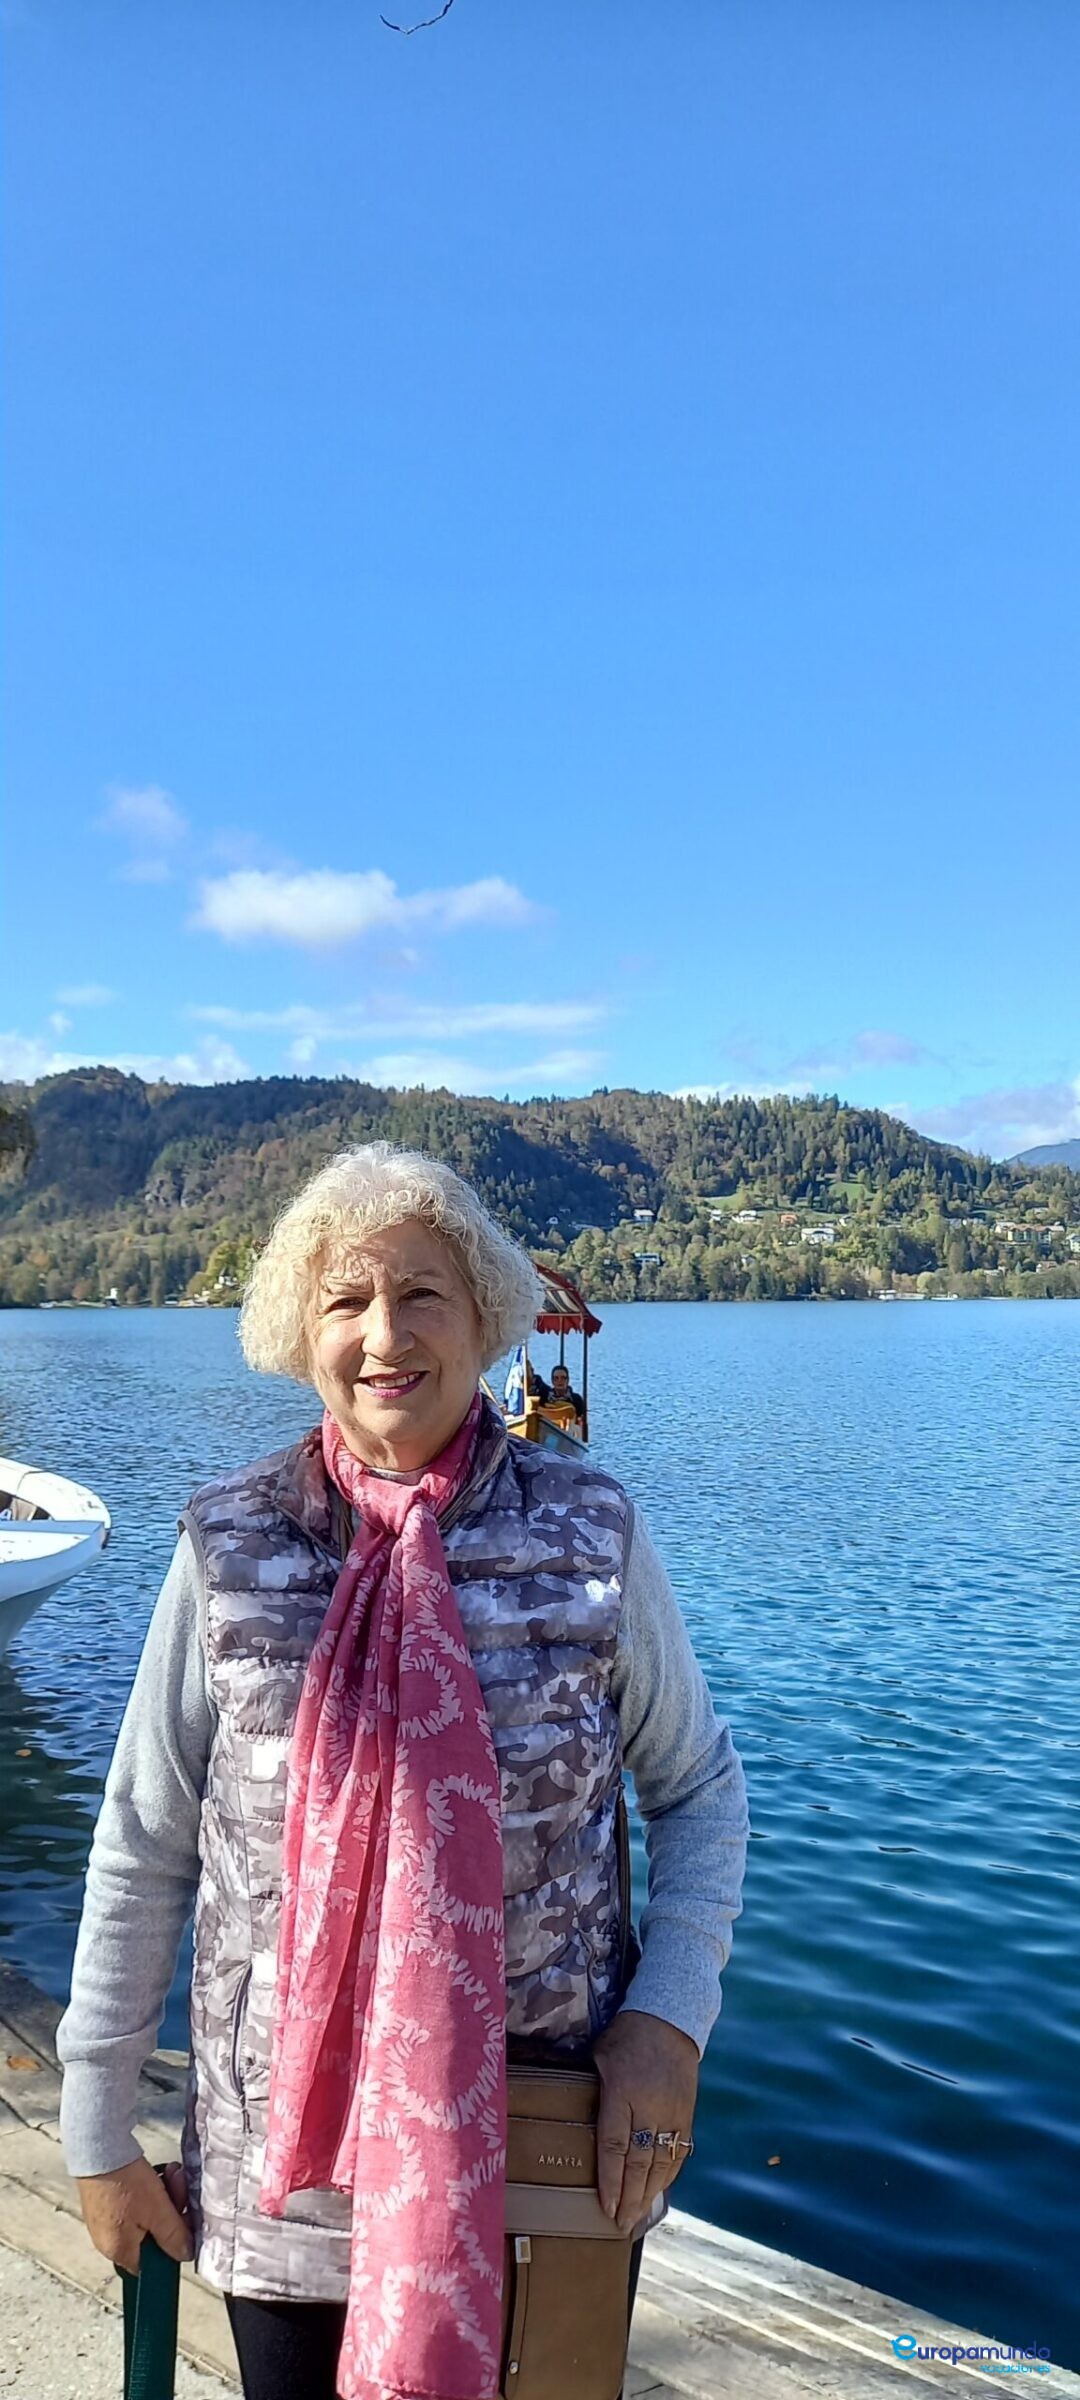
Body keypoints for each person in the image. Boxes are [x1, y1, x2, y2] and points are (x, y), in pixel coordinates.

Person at [56, 1143, 749, 2400]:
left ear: (484, 1315)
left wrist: (669, 2018)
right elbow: (145, 1841)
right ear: (297, 1328)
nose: (386, 1334)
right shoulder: (230, 1544)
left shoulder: (592, 1531)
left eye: (423, 1293)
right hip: (289, 2177)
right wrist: (99, 2134)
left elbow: (697, 1787)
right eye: (347, 1298)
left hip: (540, 2153)